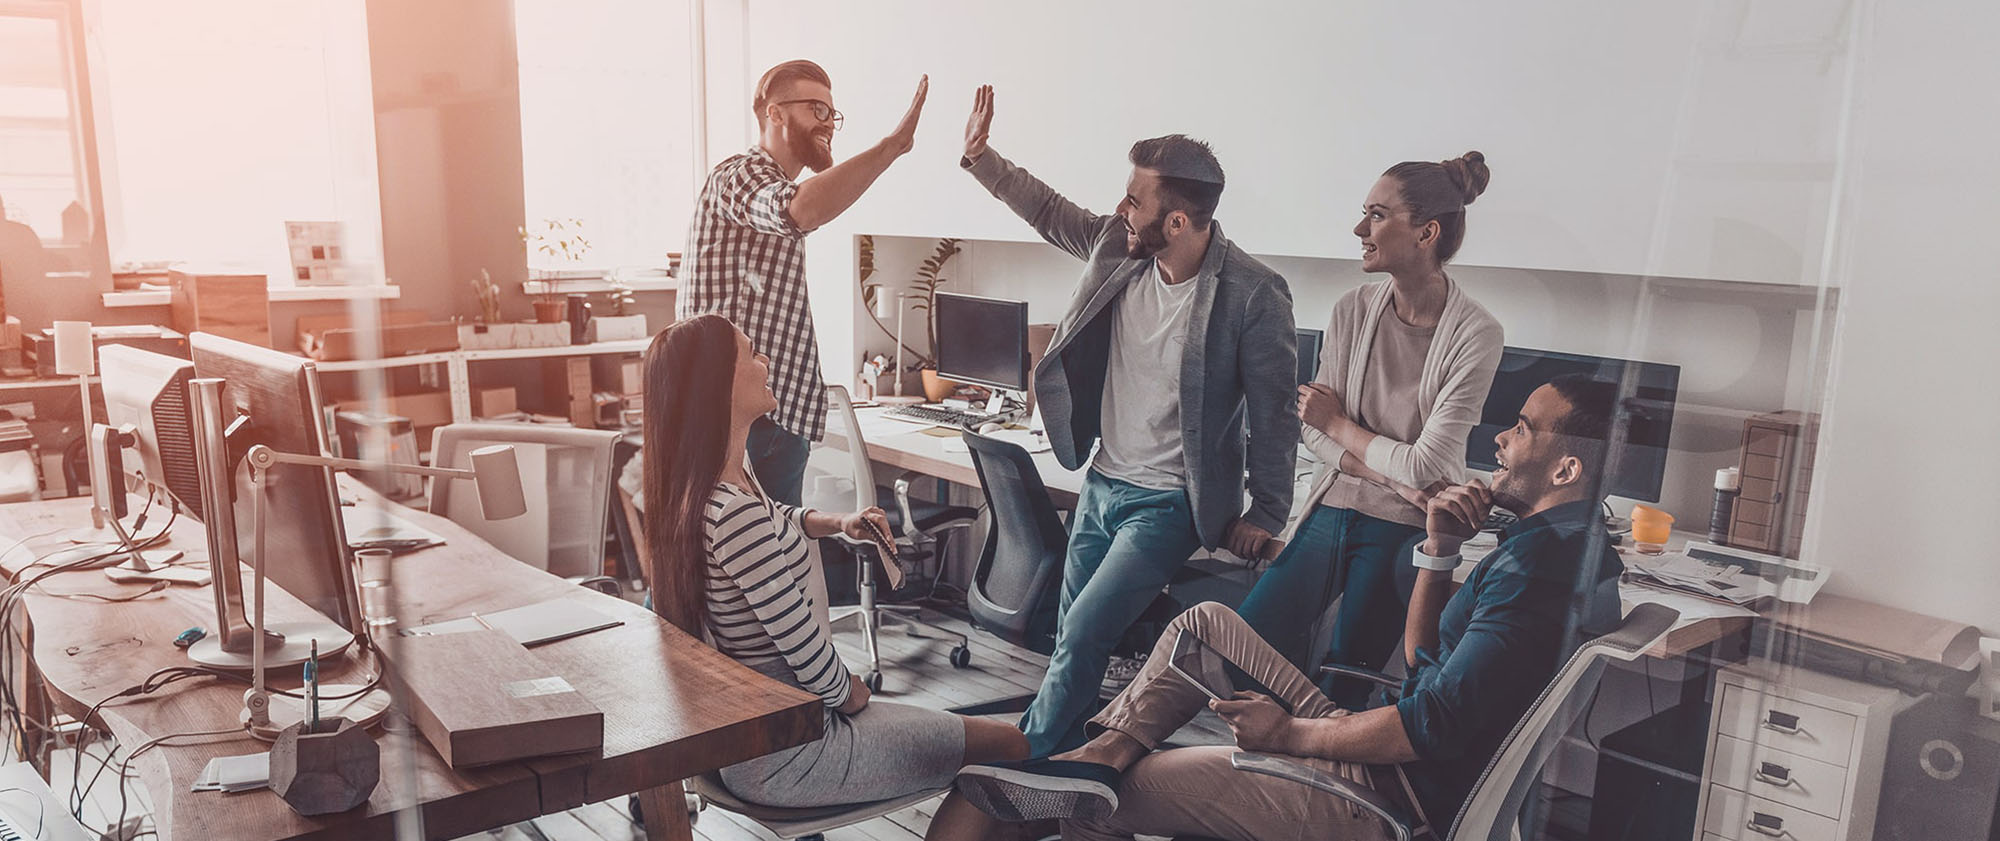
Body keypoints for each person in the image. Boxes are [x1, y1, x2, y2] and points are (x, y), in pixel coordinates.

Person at [948, 374, 1628, 841]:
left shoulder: (1534, 571)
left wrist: (1287, 735)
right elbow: (1427, 666)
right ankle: (1100, 752)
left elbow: (1427, 727)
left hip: (1386, 796)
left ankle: (1093, 779)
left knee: (1116, 796)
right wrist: (1441, 549)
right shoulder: (1566, 546)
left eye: (1522, 428)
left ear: (1566, 468)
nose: (1502, 440)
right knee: (1203, 624)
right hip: (1389, 755)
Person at [958, 85, 1298, 757]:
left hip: (1170, 500)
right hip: (1103, 480)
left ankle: (1021, 766)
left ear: (1176, 221)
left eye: (1136, 199)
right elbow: (1050, 212)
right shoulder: (1119, 247)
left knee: (1085, 629)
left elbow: (1275, 410)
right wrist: (981, 157)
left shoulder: (1252, 295)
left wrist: (1269, 507)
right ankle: (1071, 770)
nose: (1122, 207)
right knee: (1070, 633)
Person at [641, 314, 1027, 837]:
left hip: (765, 740)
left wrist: (837, 523)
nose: (766, 361)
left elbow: (777, 520)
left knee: (988, 744)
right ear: (719, 386)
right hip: (796, 751)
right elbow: (802, 648)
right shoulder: (732, 514)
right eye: (752, 353)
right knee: (1011, 748)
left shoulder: (715, 487)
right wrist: (853, 696)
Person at [1238, 153, 1505, 708]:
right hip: (1334, 504)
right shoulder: (1352, 309)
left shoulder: (1477, 333)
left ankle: (1321, 787)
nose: (1361, 230)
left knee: (1348, 677)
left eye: (1377, 216)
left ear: (1426, 232)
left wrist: (1339, 423)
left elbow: (1423, 467)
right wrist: (1380, 466)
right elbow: (1309, 436)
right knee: (1241, 644)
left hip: (1404, 524)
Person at [676, 60, 930, 507]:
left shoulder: (770, 182)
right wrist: (891, 148)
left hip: (773, 417)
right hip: (737, 421)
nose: (829, 124)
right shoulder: (740, 176)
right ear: (775, 113)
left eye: (833, 113)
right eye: (817, 109)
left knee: (776, 557)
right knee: (748, 564)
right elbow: (797, 211)